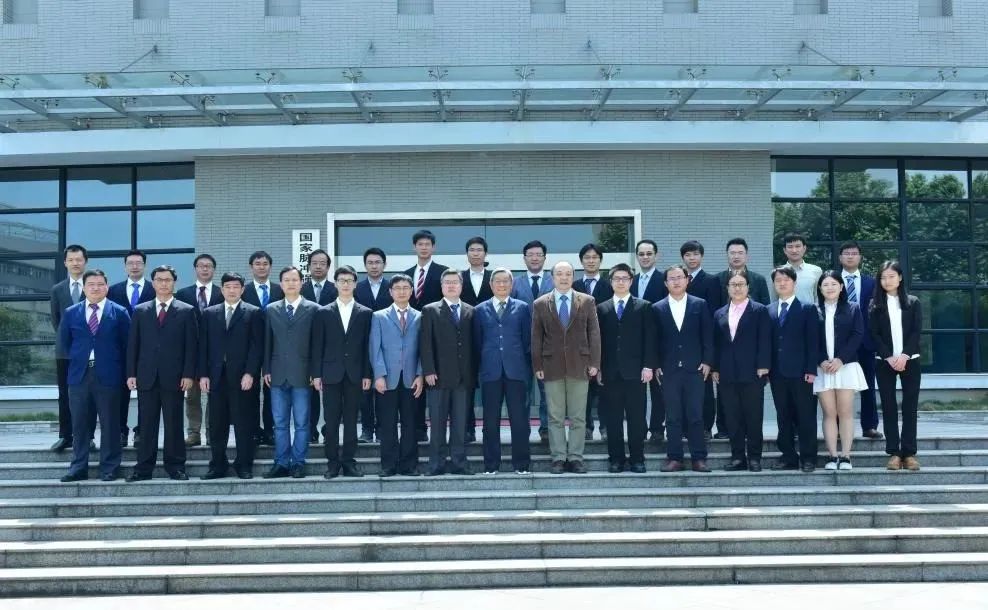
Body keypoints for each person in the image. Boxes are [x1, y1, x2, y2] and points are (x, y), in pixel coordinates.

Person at [125, 265, 198, 482]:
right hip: (146, 376)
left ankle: (175, 467)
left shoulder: (186, 310)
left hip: (175, 377)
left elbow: (191, 346)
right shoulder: (141, 310)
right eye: (159, 280)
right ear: (153, 283)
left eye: (167, 280)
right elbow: (133, 345)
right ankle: (143, 469)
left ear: (174, 282)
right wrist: (131, 373)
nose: (163, 283)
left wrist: (188, 374)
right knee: (147, 425)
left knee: (174, 424)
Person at [57, 270, 130, 482]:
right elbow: (64, 343)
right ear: (85, 287)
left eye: (100, 284)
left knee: (110, 423)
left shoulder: (119, 312)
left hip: (109, 375)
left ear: (106, 287)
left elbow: (127, 345)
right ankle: (78, 467)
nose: (95, 288)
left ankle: (109, 467)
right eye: (91, 284)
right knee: (79, 424)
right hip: (79, 375)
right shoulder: (71, 312)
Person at [531, 261, 601, 474]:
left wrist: (595, 363)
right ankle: (558, 458)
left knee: (578, 416)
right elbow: (536, 337)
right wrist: (537, 363)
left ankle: (576, 458)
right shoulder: (540, 303)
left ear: (573, 276)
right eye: (559, 274)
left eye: (568, 274)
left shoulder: (587, 301)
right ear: (552, 277)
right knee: (555, 417)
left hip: (580, 365)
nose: (564, 277)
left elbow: (594, 334)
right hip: (551, 366)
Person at [197, 272, 264, 480]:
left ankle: (244, 465)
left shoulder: (253, 312)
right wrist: (203, 374)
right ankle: (218, 465)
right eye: (228, 286)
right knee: (217, 424)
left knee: (244, 423)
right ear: (222, 289)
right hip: (216, 377)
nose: (232, 290)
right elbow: (203, 346)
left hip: (242, 378)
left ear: (242, 289)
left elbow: (257, 347)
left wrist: (250, 373)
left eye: (236, 286)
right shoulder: (210, 313)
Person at [313, 265, 373, 479]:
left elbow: (368, 347)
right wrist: (316, 374)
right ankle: (332, 463)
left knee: (351, 420)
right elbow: (317, 346)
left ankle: (349, 462)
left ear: (355, 284)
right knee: (330, 421)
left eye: (349, 280)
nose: (345, 284)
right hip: (330, 374)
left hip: (355, 374)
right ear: (336, 284)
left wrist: (367, 374)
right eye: (341, 280)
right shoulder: (323, 312)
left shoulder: (365, 313)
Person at [652, 264, 714, 473]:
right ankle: (674, 458)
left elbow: (707, 336)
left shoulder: (700, 304)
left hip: (695, 369)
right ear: (665, 283)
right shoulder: (657, 308)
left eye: (680, 277)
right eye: (672, 278)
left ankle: (699, 458)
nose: (676, 281)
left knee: (696, 415)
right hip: (668, 370)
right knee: (672, 416)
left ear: (687, 280)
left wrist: (707, 361)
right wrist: (656, 364)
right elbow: (654, 340)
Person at [596, 263, 656, 473]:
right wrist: (598, 367)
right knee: (612, 419)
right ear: (611, 282)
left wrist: (648, 366)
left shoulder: (644, 306)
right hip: (610, 372)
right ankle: (616, 459)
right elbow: (598, 341)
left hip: (636, 372)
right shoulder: (601, 308)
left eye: (625, 278)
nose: (620, 282)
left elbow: (650, 339)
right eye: (616, 279)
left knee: (636, 419)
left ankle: (637, 459)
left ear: (631, 281)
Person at [474, 267, 532, 475]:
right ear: (491, 285)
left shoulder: (522, 308)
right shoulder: (479, 310)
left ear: (511, 284)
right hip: (490, 372)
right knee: (490, 421)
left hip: (516, 371)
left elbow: (527, 340)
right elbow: (477, 342)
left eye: (505, 281)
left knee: (519, 420)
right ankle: (491, 464)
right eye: (497, 281)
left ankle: (521, 464)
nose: (501, 284)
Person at [262, 266, 319, 479]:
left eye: (295, 280)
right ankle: (281, 462)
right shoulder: (271, 309)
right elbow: (267, 343)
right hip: (277, 374)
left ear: (301, 283)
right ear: (281, 284)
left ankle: (298, 462)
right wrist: (266, 369)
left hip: (303, 374)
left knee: (302, 423)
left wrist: (315, 372)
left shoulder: (313, 309)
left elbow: (316, 345)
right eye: (287, 280)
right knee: (280, 423)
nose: (291, 283)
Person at [712, 273, 771, 472]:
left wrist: (764, 365)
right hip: (726, 373)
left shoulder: (759, 310)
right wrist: (715, 368)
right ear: (727, 288)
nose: (737, 288)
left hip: (753, 372)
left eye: (741, 284)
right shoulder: (719, 313)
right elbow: (716, 343)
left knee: (753, 416)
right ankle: (738, 458)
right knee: (732, 417)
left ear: (748, 287)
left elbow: (765, 339)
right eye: (733, 285)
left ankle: (754, 458)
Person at [419, 269, 476, 476]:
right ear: (442, 286)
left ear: (461, 286)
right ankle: (436, 464)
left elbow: (474, 344)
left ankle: (460, 463)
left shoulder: (471, 310)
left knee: (460, 424)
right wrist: (428, 370)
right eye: (447, 282)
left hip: (463, 377)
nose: (451, 285)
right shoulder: (430, 310)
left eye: (455, 282)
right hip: (438, 377)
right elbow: (425, 343)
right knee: (437, 424)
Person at [869, 261, 923, 471]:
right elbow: (874, 334)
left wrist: (905, 355)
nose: (887, 281)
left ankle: (909, 453)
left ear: (900, 278)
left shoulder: (913, 302)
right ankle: (893, 452)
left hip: (911, 360)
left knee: (910, 406)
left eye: (891, 276)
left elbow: (916, 332)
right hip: (885, 362)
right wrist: (889, 357)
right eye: (883, 277)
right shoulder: (875, 304)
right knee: (888, 406)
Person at [369, 273, 424, 477]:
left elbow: (424, 349)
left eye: (405, 288)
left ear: (412, 291)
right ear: (390, 292)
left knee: (410, 423)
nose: (401, 291)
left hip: (411, 378)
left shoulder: (420, 316)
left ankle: (409, 465)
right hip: (387, 378)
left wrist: (420, 374)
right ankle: (389, 465)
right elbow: (375, 348)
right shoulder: (378, 316)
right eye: (397, 288)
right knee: (388, 424)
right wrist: (379, 375)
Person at [813, 270, 868, 471]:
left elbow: (857, 334)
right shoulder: (813, 310)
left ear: (841, 287)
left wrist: (840, 359)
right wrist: (821, 360)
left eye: (834, 284)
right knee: (829, 413)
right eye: (825, 285)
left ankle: (845, 456)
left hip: (846, 367)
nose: (830, 288)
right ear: (820, 288)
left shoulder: (853, 308)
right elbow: (810, 338)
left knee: (845, 412)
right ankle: (832, 455)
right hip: (823, 368)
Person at [768, 266, 820, 473]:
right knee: (783, 416)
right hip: (777, 373)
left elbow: (813, 342)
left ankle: (809, 458)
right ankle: (788, 456)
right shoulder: (769, 310)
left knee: (805, 415)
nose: (782, 283)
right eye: (778, 280)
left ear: (794, 283)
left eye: (786, 280)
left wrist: (811, 369)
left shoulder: (807, 309)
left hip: (801, 373)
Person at [175, 253, 223, 447]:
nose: (205, 269)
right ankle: (194, 433)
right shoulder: (183, 294)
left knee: (215, 395)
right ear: (195, 269)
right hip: (191, 353)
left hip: (215, 353)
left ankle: (212, 432)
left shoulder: (222, 292)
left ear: (214, 269)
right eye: (201, 266)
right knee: (192, 395)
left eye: (208, 266)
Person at [405, 230, 449, 442]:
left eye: (427, 244)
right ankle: (418, 428)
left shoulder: (443, 273)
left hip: (437, 336)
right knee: (415, 380)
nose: (424, 247)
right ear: (414, 247)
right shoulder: (406, 274)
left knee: (435, 382)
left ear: (433, 247)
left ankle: (439, 430)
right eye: (420, 244)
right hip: (410, 334)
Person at [108, 249, 155, 448]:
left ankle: (141, 431)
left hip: (148, 350)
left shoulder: (154, 289)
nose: (134, 266)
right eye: (130, 263)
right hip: (120, 350)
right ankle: (120, 430)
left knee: (146, 393)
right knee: (120, 392)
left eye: (138, 263)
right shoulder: (113, 291)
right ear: (125, 266)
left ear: (144, 265)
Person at [49, 244, 92, 453]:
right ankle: (65, 436)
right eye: (71, 260)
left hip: (89, 352)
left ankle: (88, 437)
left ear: (85, 262)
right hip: (65, 353)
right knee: (65, 394)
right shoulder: (57, 289)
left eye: (79, 259)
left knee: (88, 395)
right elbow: (56, 321)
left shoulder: (93, 286)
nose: (75, 263)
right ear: (65, 263)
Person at [682, 239, 725, 440]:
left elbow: (715, 313)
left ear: (702, 256)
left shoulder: (711, 280)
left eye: (695, 254)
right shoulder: (678, 279)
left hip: (702, 343)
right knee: (682, 389)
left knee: (705, 388)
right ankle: (685, 427)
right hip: (681, 344)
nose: (692, 258)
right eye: (688, 254)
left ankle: (706, 427)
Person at [510, 239, 553, 443]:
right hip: (522, 347)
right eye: (531, 255)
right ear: (524, 258)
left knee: (548, 393)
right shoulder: (515, 283)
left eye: (538, 255)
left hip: (548, 347)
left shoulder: (554, 281)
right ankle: (523, 430)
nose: (535, 258)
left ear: (545, 258)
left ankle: (546, 429)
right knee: (522, 392)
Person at [840, 241, 882, 440]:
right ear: (840, 257)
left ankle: (870, 425)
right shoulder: (832, 280)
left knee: (868, 385)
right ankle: (838, 426)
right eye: (846, 253)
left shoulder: (870, 283)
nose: (850, 256)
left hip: (865, 342)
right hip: (840, 342)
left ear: (860, 257)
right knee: (839, 386)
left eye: (854, 253)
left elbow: (876, 313)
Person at [241, 250, 284, 447]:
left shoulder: (279, 289)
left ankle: (270, 430)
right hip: (248, 347)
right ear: (251, 267)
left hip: (274, 347)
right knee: (249, 390)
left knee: (271, 390)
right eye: (257, 264)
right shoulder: (244, 290)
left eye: (265, 264)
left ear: (270, 267)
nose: (261, 267)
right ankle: (253, 431)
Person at [631, 239, 668, 444]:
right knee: (637, 392)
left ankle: (657, 429)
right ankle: (640, 429)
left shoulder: (664, 280)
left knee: (658, 390)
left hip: (659, 344)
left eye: (649, 253)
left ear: (656, 256)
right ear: (637, 256)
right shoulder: (631, 281)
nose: (645, 257)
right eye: (641, 254)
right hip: (635, 346)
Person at [574, 243, 612, 441]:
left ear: (600, 260)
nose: (591, 261)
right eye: (587, 257)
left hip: (605, 345)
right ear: (581, 261)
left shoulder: (609, 285)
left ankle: (605, 427)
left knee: (605, 389)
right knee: (583, 391)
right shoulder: (574, 286)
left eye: (594, 257)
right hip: (580, 347)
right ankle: (586, 427)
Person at [300, 249, 338, 444]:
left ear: (328, 267)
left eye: (322, 263)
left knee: (332, 391)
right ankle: (311, 429)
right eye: (314, 263)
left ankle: (329, 428)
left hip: (332, 348)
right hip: (306, 348)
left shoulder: (336, 288)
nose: (318, 266)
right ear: (309, 266)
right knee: (310, 391)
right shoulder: (300, 289)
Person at [355, 247, 392, 443]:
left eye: (378, 262)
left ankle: (383, 429)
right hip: (363, 345)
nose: (374, 266)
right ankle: (367, 430)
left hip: (388, 346)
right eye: (370, 262)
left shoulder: (393, 287)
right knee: (365, 390)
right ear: (365, 265)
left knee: (385, 389)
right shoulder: (357, 288)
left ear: (384, 265)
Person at [460, 236, 492, 444]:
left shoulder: (494, 277)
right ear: (467, 254)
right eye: (472, 249)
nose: (476, 253)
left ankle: (490, 430)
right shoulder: (459, 278)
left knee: (491, 388)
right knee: (466, 388)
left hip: (491, 339)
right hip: (465, 340)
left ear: (485, 253)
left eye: (479, 250)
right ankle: (467, 429)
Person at [717, 238, 770, 306]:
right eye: (732, 253)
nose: (736, 256)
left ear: (746, 255)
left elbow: (766, 307)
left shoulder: (759, 280)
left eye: (740, 253)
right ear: (727, 255)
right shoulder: (717, 279)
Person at [782, 233, 823, 306]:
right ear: (785, 250)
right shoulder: (778, 272)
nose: (794, 250)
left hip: (809, 312)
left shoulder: (816, 271)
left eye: (798, 246)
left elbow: (818, 297)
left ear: (804, 248)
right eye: (790, 247)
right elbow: (773, 300)